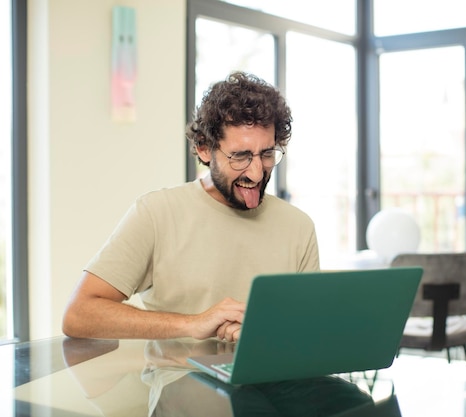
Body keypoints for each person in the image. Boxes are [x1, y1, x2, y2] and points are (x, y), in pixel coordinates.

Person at [62, 72, 320, 342]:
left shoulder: (299, 227)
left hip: (275, 382)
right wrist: (193, 324)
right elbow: (79, 314)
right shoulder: (156, 214)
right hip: (179, 382)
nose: (256, 174)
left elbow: (311, 330)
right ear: (205, 149)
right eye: (240, 156)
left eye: (267, 154)